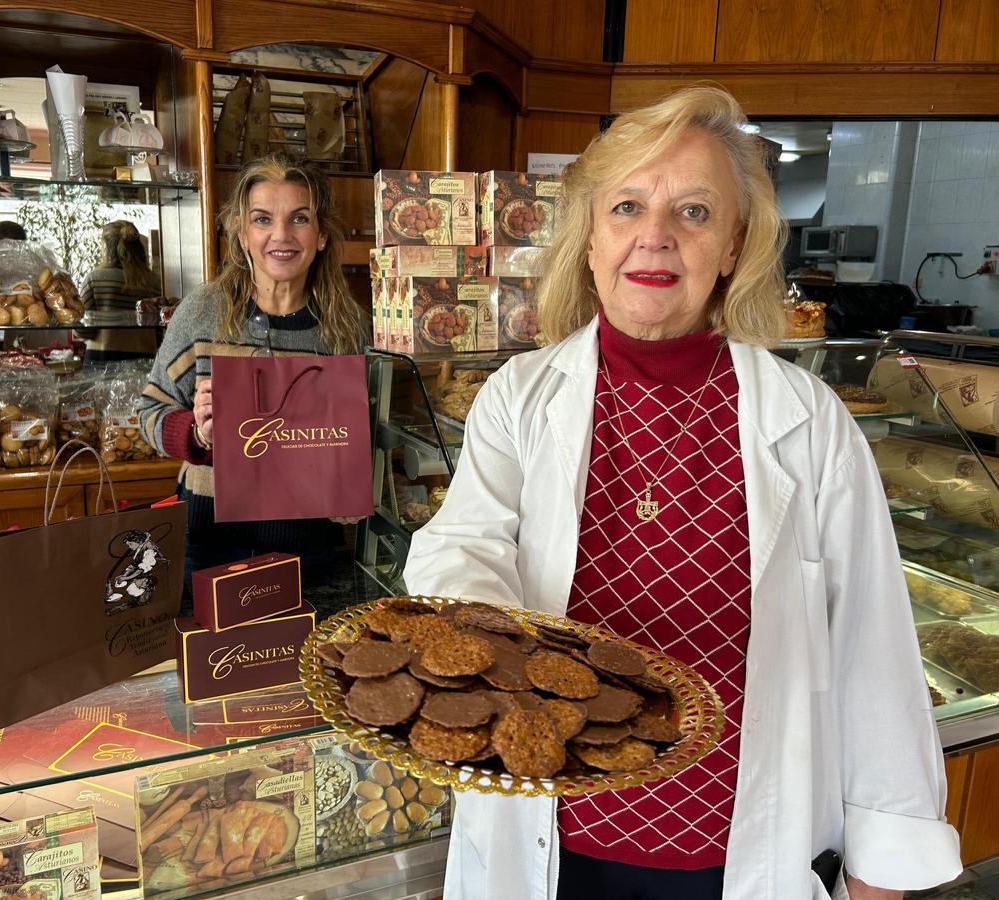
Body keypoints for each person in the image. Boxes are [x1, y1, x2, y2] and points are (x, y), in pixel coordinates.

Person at [404, 86, 961, 900]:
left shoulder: (811, 422)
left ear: (734, 244)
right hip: (551, 839)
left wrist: (885, 866)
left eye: (694, 212)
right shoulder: (519, 398)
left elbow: (871, 648)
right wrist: (479, 644)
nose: (654, 236)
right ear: (591, 237)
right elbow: (467, 544)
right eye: (626, 206)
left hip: (740, 854)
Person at [137, 154, 368, 595]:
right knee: (217, 661)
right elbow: (150, 408)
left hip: (309, 552)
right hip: (209, 547)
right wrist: (197, 434)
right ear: (243, 234)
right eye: (262, 220)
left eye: (298, 219)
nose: (280, 236)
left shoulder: (347, 326)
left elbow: (356, 436)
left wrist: (352, 485)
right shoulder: (205, 311)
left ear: (321, 235)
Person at [80, 220, 162, 363]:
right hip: (144, 363)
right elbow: (159, 332)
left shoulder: (94, 279)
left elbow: (84, 329)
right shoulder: (154, 282)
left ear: (106, 248)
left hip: (100, 363)